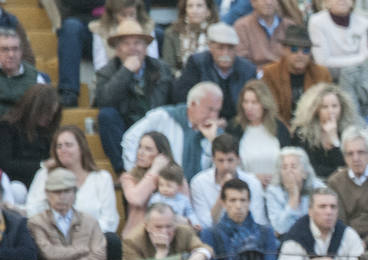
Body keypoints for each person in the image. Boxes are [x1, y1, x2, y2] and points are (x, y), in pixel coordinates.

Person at [30, 168, 121, 260]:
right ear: (47, 193)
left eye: (67, 191)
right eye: (56, 192)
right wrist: (82, 250)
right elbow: (49, 254)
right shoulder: (37, 223)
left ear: (75, 192)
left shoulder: (90, 221)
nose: (62, 196)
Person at [92, 19, 173, 175]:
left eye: (137, 43)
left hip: (153, 123)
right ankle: (123, 172)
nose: (132, 48)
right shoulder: (106, 71)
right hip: (124, 125)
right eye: (126, 44)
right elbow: (103, 100)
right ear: (117, 49)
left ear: (145, 48)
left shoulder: (161, 68)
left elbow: (163, 102)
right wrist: (126, 72)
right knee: (106, 115)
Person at [202, 177, 280, 260]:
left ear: (249, 202)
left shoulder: (265, 232)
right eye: (233, 200)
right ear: (224, 203)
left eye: (243, 200)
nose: (238, 206)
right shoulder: (210, 233)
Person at [120, 81, 224, 174]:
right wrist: (133, 173)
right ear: (192, 104)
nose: (213, 116)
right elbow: (130, 139)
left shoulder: (215, 133)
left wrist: (213, 141)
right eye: (210, 109)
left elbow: (220, 170)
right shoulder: (163, 117)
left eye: (217, 111)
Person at [174, 22, 257, 121]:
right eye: (220, 48)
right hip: (202, 121)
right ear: (210, 47)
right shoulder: (197, 64)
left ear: (236, 49)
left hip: (237, 124)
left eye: (230, 48)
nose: (225, 53)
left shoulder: (247, 70)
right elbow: (183, 98)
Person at [189, 133, 269, 229]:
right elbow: (205, 225)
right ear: (213, 160)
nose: (225, 166)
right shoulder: (199, 183)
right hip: (213, 239)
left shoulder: (252, 182)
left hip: (247, 236)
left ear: (238, 160)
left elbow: (258, 220)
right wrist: (222, 195)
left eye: (230, 160)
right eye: (221, 160)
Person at [229, 81, 293, 187]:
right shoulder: (235, 128)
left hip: (277, 187)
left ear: (264, 104)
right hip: (245, 188)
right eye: (246, 102)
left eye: (254, 102)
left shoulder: (278, 127)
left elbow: (288, 159)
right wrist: (253, 178)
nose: (249, 107)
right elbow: (229, 164)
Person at [291, 82, 361, 179]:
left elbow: (348, 165)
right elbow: (308, 167)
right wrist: (336, 172)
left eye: (334, 106)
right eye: (324, 107)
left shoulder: (348, 131)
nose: (330, 111)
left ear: (342, 108)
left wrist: (334, 141)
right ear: (316, 110)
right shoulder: (302, 133)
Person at [261, 24, 332, 120]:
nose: (300, 55)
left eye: (305, 50)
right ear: (284, 50)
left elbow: (327, 107)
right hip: (281, 127)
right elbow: (271, 110)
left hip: (313, 126)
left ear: (310, 53)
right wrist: (286, 131)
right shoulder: (271, 73)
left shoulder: (322, 74)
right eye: (294, 49)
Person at [119, 131, 175, 236]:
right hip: (136, 237)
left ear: (162, 156)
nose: (141, 152)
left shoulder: (176, 179)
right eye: (140, 147)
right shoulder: (129, 177)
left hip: (167, 235)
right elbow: (136, 199)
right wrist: (154, 171)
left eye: (148, 149)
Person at [0, 85, 55, 189]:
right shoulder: (7, 127)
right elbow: (5, 164)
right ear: (33, 108)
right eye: (45, 112)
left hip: (41, 183)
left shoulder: (47, 133)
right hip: (14, 183)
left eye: (52, 113)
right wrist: (41, 165)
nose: (49, 117)